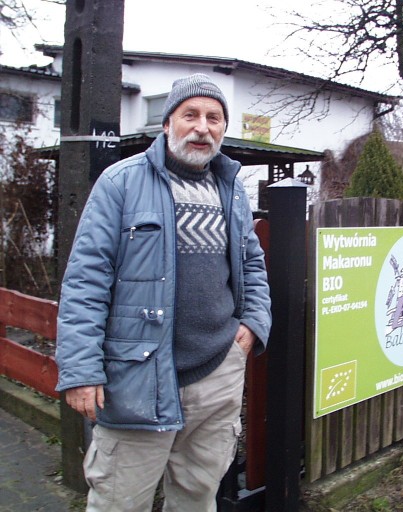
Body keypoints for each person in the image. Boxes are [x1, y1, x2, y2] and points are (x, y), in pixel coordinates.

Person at [55, 73, 272, 512]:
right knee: (119, 503)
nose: (202, 127)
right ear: (167, 124)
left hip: (217, 373)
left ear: (223, 129)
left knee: (196, 499)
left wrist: (253, 323)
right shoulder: (121, 183)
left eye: (214, 118)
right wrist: (81, 369)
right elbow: (86, 279)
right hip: (137, 379)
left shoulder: (231, 189)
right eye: (189, 114)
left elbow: (252, 262)